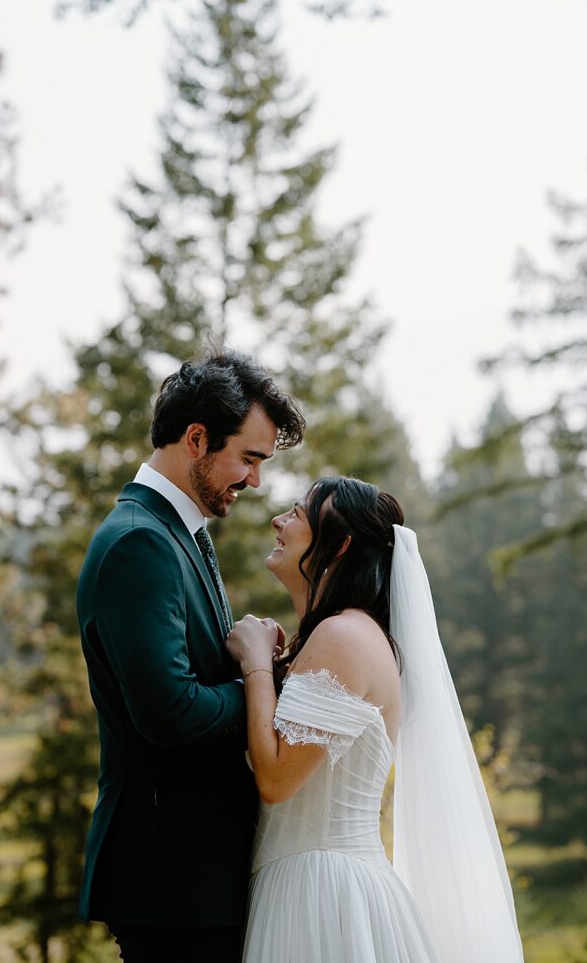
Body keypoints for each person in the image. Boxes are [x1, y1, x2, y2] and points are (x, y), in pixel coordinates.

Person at [226, 475, 524, 963]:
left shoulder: (346, 635)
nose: (278, 521)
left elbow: (278, 778)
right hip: (299, 881)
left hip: (324, 897)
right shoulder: (336, 637)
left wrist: (256, 664)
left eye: (297, 513)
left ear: (340, 544)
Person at [76, 351, 305, 963]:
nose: (255, 480)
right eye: (249, 458)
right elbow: (169, 711)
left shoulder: (177, 531)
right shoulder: (139, 543)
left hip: (195, 876)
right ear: (196, 438)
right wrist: (267, 683)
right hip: (173, 876)